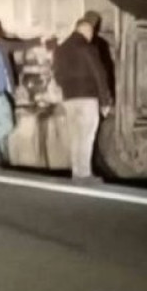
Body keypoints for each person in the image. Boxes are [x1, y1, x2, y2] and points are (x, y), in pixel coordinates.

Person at [0, 19, 52, 164]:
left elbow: (21, 45)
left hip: (2, 93)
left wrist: (39, 40)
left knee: (8, 125)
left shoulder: (1, 44)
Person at [53, 17, 113, 184]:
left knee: (75, 136)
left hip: (69, 98)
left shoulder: (61, 49)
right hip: (87, 97)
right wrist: (105, 101)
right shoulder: (87, 47)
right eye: (91, 32)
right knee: (87, 136)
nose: (92, 35)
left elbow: (57, 74)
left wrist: (66, 89)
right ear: (87, 30)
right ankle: (84, 174)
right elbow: (99, 74)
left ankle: (77, 172)